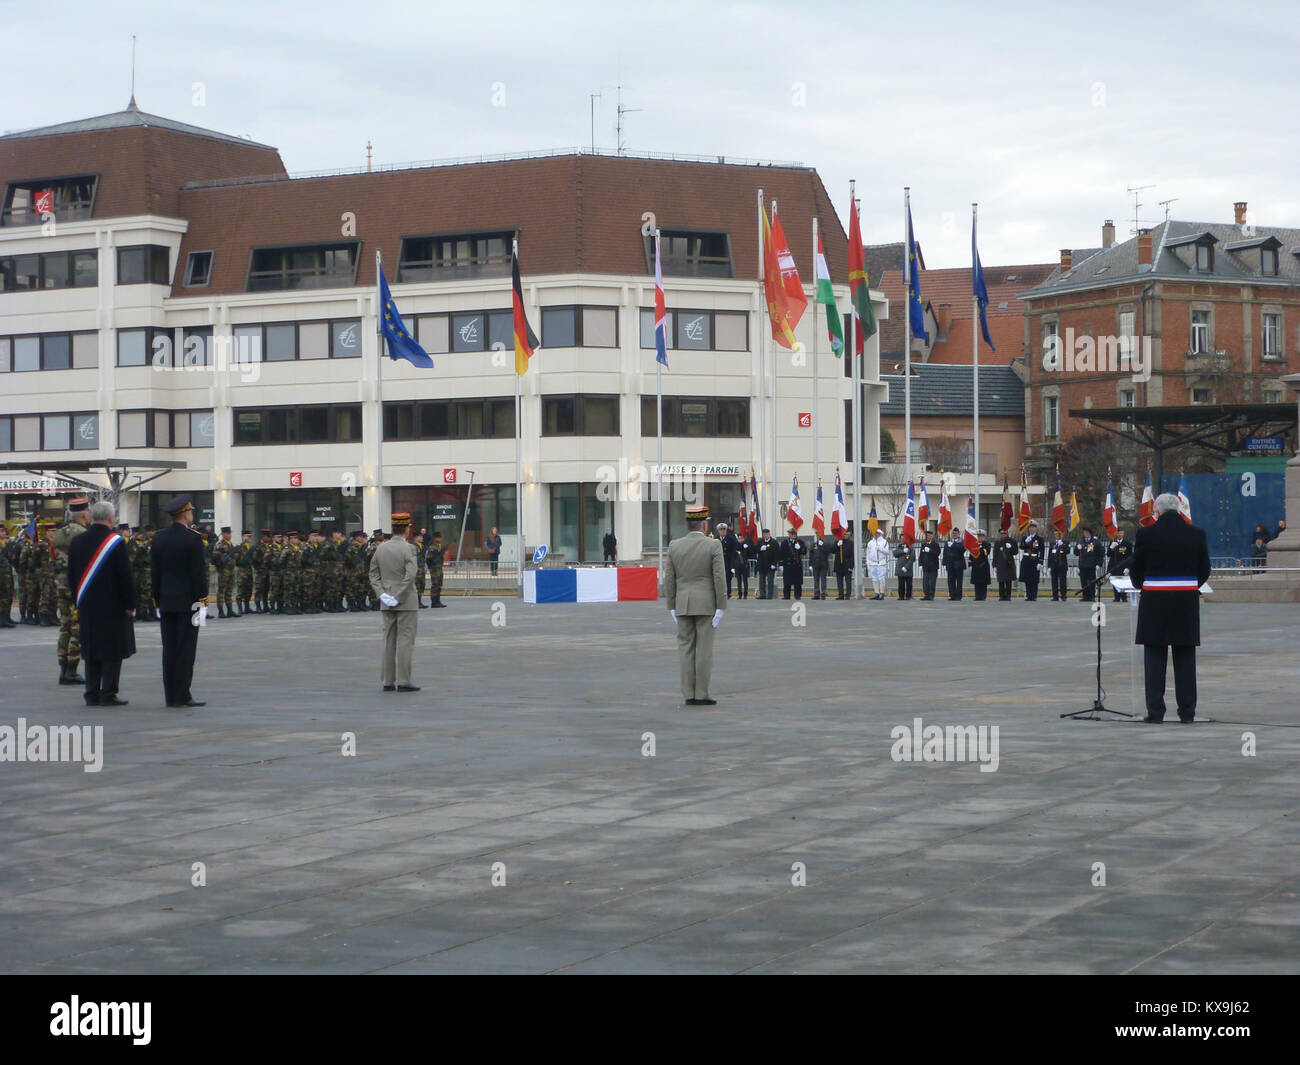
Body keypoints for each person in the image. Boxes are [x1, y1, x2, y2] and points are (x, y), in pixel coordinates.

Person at [1130, 493, 1212, 723]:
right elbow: (1205, 569)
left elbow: (1137, 569)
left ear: (1157, 512)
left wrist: (1143, 585)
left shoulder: (1146, 534)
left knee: (1154, 659)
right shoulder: (1196, 534)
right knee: (1185, 658)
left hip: (1154, 602)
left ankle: (1155, 712)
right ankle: (1187, 711)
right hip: (1185, 603)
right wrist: (1189, 585)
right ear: (1178, 510)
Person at [67, 500, 136, 706]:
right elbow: (125, 576)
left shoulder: (77, 542)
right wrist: (129, 603)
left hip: (87, 604)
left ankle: (91, 693)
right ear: (110, 518)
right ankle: (108, 692)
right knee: (113, 651)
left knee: (91, 650)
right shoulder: (115, 542)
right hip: (112, 605)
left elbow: (71, 576)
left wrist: (77, 600)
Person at [663, 502, 726, 706]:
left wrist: (671, 605)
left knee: (686, 649)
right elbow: (719, 577)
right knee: (704, 650)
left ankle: (688, 693)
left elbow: (669, 578)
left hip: (682, 603)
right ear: (704, 526)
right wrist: (721, 606)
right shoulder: (713, 545)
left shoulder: (674, 546)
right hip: (706, 603)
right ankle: (702, 693)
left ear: (688, 524)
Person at [150, 494, 209, 708]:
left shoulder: (159, 538)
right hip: (189, 603)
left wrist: (157, 600)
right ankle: (183, 694)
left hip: (166, 602)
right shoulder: (193, 539)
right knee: (186, 649)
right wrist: (202, 603)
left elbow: (155, 573)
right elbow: (198, 575)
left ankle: (170, 696)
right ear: (185, 514)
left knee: (169, 649)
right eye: (191, 511)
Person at [369, 511, 420, 692]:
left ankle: (387, 681)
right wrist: (398, 596)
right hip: (406, 601)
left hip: (386, 599)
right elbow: (411, 575)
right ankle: (404, 681)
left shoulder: (381, 548)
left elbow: (373, 573)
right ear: (406, 529)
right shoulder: (409, 548)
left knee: (388, 641)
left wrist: (382, 594)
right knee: (405, 641)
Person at [51, 497, 91, 684]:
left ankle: (63, 668)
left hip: (60, 583)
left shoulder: (59, 534)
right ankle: (72, 668)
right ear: (84, 514)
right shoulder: (84, 534)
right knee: (77, 626)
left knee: (65, 626)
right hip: (76, 585)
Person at [211, 526, 237, 618]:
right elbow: (216, 558)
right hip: (223, 570)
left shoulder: (231, 544)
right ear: (223, 534)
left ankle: (230, 610)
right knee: (221, 590)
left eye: (230, 533)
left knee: (229, 590)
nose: (229, 535)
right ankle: (221, 611)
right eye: (228, 533)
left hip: (231, 570)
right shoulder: (220, 544)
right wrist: (222, 562)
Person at [1074, 527, 1103, 602]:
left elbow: (1101, 552)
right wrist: (1077, 548)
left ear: (1090, 533)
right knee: (1083, 581)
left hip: (1091, 565)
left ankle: (1092, 596)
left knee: (1091, 581)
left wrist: (1099, 564)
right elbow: (1076, 553)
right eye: (1084, 532)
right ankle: (1085, 596)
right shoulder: (1080, 541)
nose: (1085, 534)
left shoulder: (1095, 541)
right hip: (1083, 565)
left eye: (1086, 532)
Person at [1019, 521, 1044, 601]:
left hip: (1034, 560)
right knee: (1027, 579)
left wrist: (1040, 562)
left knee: (1034, 579)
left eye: (1033, 527)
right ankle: (1028, 595)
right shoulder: (1025, 538)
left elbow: (1041, 550)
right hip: (1026, 560)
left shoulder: (1039, 539)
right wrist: (1026, 541)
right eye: (1030, 527)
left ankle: (1034, 595)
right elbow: (1021, 547)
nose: (1031, 529)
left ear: (1036, 528)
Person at [1108, 529, 1134, 602]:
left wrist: (1128, 567)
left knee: (1123, 582)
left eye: (1121, 533)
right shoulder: (1112, 542)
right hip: (1114, 566)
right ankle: (1116, 597)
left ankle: (1124, 597)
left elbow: (1130, 557)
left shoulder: (1127, 543)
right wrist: (1111, 548)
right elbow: (1108, 554)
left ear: (1123, 534)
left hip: (1123, 566)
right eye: (1118, 533)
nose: (1119, 535)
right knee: (1115, 582)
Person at [992, 529, 1018, 601]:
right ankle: (1001, 596)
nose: (1003, 535)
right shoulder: (998, 542)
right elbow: (995, 553)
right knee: (1001, 581)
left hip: (1009, 563)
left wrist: (1011, 548)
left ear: (1007, 533)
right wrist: (994, 563)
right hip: (1000, 563)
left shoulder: (1012, 541)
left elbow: (1016, 552)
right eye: (1001, 533)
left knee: (1008, 580)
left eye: (1004, 533)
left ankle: (1008, 596)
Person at [233, 530, 254, 616]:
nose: (249, 538)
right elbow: (236, 559)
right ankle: (240, 608)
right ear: (243, 537)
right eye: (247, 536)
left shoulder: (251, 547)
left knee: (249, 589)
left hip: (249, 570)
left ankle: (247, 607)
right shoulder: (240, 547)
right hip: (242, 571)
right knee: (241, 590)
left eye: (250, 536)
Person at [781, 528, 805, 600]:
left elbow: (804, 551)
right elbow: (781, 553)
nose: (793, 535)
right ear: (789, 534)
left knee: (797, 582)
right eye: (791, 534)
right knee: (787, 581)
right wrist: (780, 564)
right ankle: (786, 595)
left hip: (797, 565)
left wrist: (799, 548)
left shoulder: (800, 542)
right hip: (788, 564)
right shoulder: (785, 542)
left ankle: (797, 595)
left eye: (794, 534)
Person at [865, 528, 889, 600]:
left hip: (881, 562)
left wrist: (880, 549)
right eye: (875, 533)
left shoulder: (884, 542)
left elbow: (887, 552)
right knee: (874, 578)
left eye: (878, 533)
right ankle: (876, 592)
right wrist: (868, 564)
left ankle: (882, 593)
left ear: (880, 534)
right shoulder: (870, 543)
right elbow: (868, 554)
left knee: (881, 578)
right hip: (873, 563)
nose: (876, 534)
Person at [918, 528, 941, 601]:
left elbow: (937, 553)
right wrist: (920, 564)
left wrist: (930, 550)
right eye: (926, 536)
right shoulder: (923, 544)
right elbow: (921, 555)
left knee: (932, 582)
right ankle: (926, 594)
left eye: (928, 536)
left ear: (931, 536)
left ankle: (931, 595)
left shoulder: (935, 544)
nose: (927, 537)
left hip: (933, 566)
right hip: (925, 566)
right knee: (925, 582)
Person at [756, 528, 780, 600]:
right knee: (762, 581)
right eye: (765, 534)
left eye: (767, 534)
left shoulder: (774, 542)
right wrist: (760, 549)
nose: (766, 535)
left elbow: (777, 554)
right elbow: (754, 550)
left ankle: (770, 595)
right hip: (762, 565)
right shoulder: (760, 541)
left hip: (770, 565)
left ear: (769, 534)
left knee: (770, 580)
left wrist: (774, 563)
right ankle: (762, 594)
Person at [942, 529, 966, 601]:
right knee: (950, 580)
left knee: (959, 581)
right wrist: (944, 563)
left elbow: (962, 549)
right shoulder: (948, 542)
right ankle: (952, 595)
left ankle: (958, 596)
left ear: (959, 534)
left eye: (956, 533)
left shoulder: (961, 542)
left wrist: (953, 545)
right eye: (953, 533)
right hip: (950, 564)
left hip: (958, 564)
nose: (954, 535)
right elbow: (945, 553)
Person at [1046, 532, 1070, 602]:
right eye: (1056, 534)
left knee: (1063, 581)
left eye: (1058, 534)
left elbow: (1067, 551)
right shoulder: (1052, 543)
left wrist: (1062, 545)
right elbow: (1050, 554)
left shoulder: (1065, 542)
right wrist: (1049, 565)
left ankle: (1063, 595)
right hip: (1054, 565)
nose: (1057, 535)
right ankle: (1055, 596)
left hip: (1062, 564)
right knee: (1054, 581)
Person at [969, 531, 992, 601]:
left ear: (984, 537)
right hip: (975, 564)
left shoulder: (987, 544)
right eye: (978, 536)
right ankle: (977, 596)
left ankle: (983, 596)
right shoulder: (974, 544)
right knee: (976, 582)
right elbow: (971, 553)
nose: (979, 537)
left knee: (983, 582)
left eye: (981, 536)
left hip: (983, 564)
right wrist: (970, 562)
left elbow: (986, 552)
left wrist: (979, 548)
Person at [809, 532, 832, 600]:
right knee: (816, 580)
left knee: (823, 579)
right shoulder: (813, 545)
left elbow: (828, 552)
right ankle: (816, 594)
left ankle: (823, 593)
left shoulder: (826, 544)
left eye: (819, 534)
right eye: (817, 534)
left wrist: (823, 545)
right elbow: (811, 555)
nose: (818, 536)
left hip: (823, 564)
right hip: (815, 565)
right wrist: (810, 564)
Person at [834, 528, 855, 600]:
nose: (845, 535)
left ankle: (848, 595)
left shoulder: (851, 543)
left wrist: (851, 566)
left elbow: (853, 555)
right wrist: (837, 544)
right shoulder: (838, 541)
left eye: (846, 534)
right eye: (844, 534)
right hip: (839, 564)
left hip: (847, 564)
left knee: (848, 581)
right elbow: (832, 550)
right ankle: (841, 594)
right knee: (839, 581)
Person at [0, 525, 14, 628]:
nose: (3, 533)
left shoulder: (5, 543)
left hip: (7, 573)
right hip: (1, 574)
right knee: (2, 597)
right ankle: (2, 618)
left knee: (8, 596)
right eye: (1, 531)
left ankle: (7, 616)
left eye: (4, 531)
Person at [892, 536, 915, 600]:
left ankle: (908, 596)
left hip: (908, 569)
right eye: (901, 538)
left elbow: (912, 558)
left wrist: (906, 567)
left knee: (909, 584)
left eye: (903, 538)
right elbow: (895, 553)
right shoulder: (899, 547)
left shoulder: (910, 548)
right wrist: (903, 551)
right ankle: (901, 596)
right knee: (901, 584)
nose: (902, 540)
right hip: (900, 569)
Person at [428, 531, 446, 608]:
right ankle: (434, 601)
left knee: (439, 584)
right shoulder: (432, 546)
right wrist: (436, 557)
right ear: (435, 538)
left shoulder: (439, 546)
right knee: (435, 584)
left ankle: (438, 600)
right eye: (438, 537)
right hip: (434, 569)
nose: (440, 539)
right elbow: (429, 558)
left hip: (439, 568)